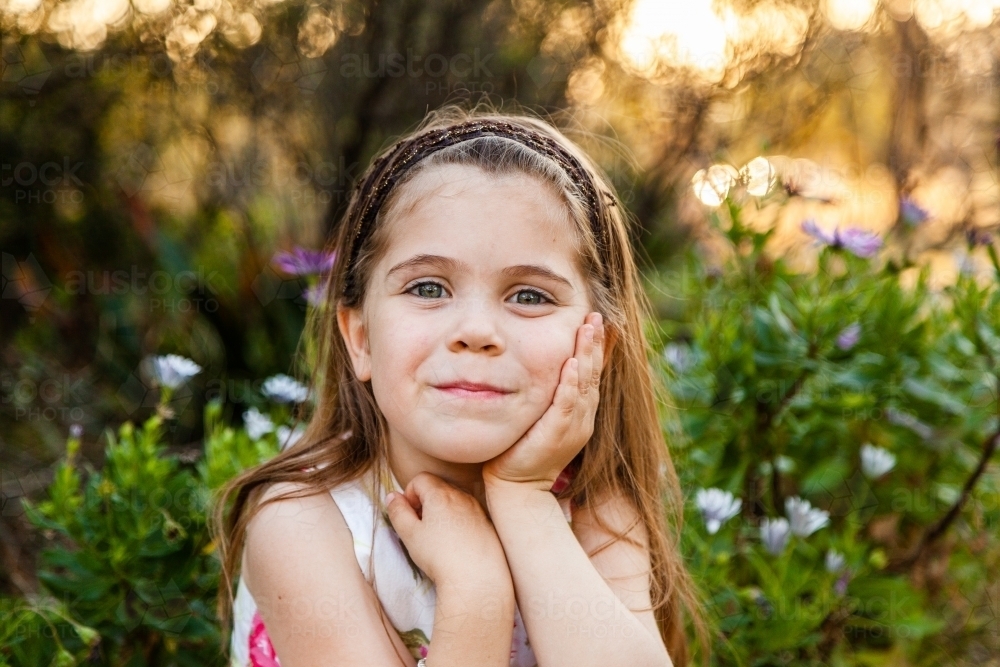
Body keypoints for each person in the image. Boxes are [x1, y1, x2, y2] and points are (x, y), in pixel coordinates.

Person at [211, 102, 708, 667]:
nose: (475, 332)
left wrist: (524, 499)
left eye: (529, 296)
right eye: (427, 288)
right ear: (361, 339)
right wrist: (477, 594)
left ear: (596, 349)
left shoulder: (595, 509)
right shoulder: (304, 525)